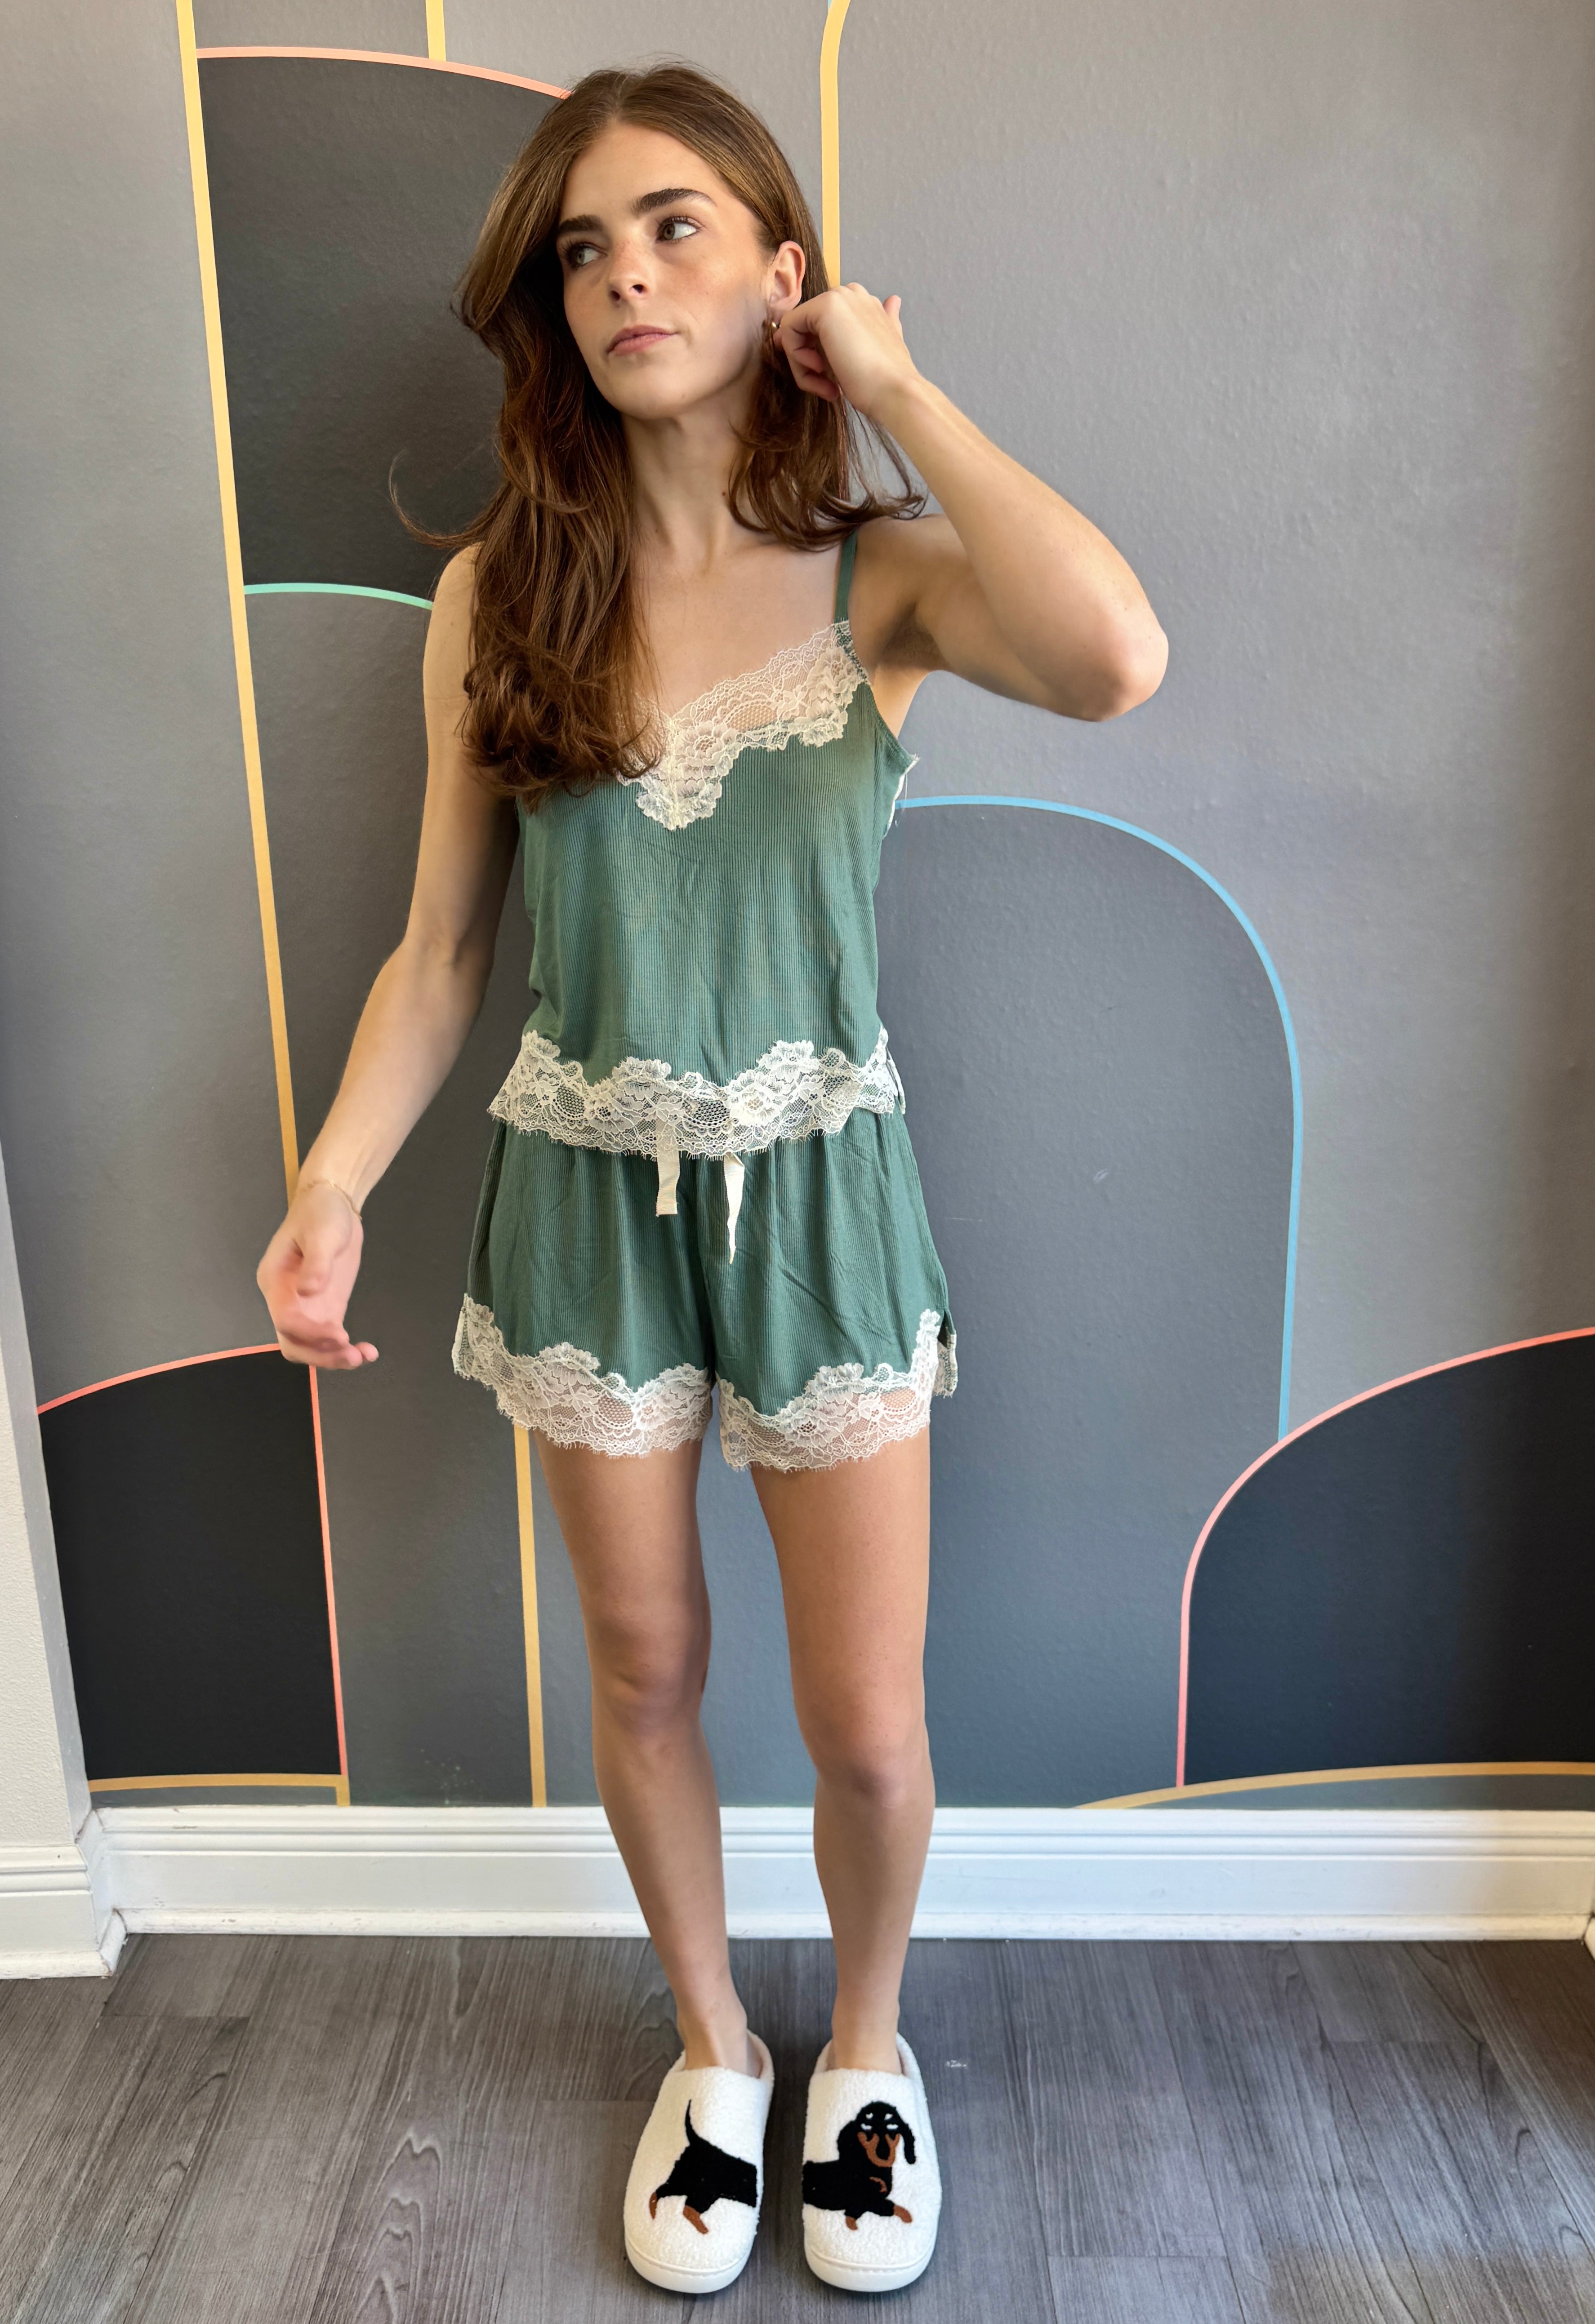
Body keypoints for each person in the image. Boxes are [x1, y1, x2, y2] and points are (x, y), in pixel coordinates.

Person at [256, 61, 1166, 2299]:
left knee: (865, 1716)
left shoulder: (885, 575)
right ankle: (712, 2056)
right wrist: (333, 1184)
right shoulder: (501, 595)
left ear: (779, 270)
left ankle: (861, 2054)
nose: (623, 279)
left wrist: (898, 386)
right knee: (644, 1667)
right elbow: (441, 952)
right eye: (583, 250)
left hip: (825, 1199)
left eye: (673, 227)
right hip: (580, 1200)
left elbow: (1115, 658)